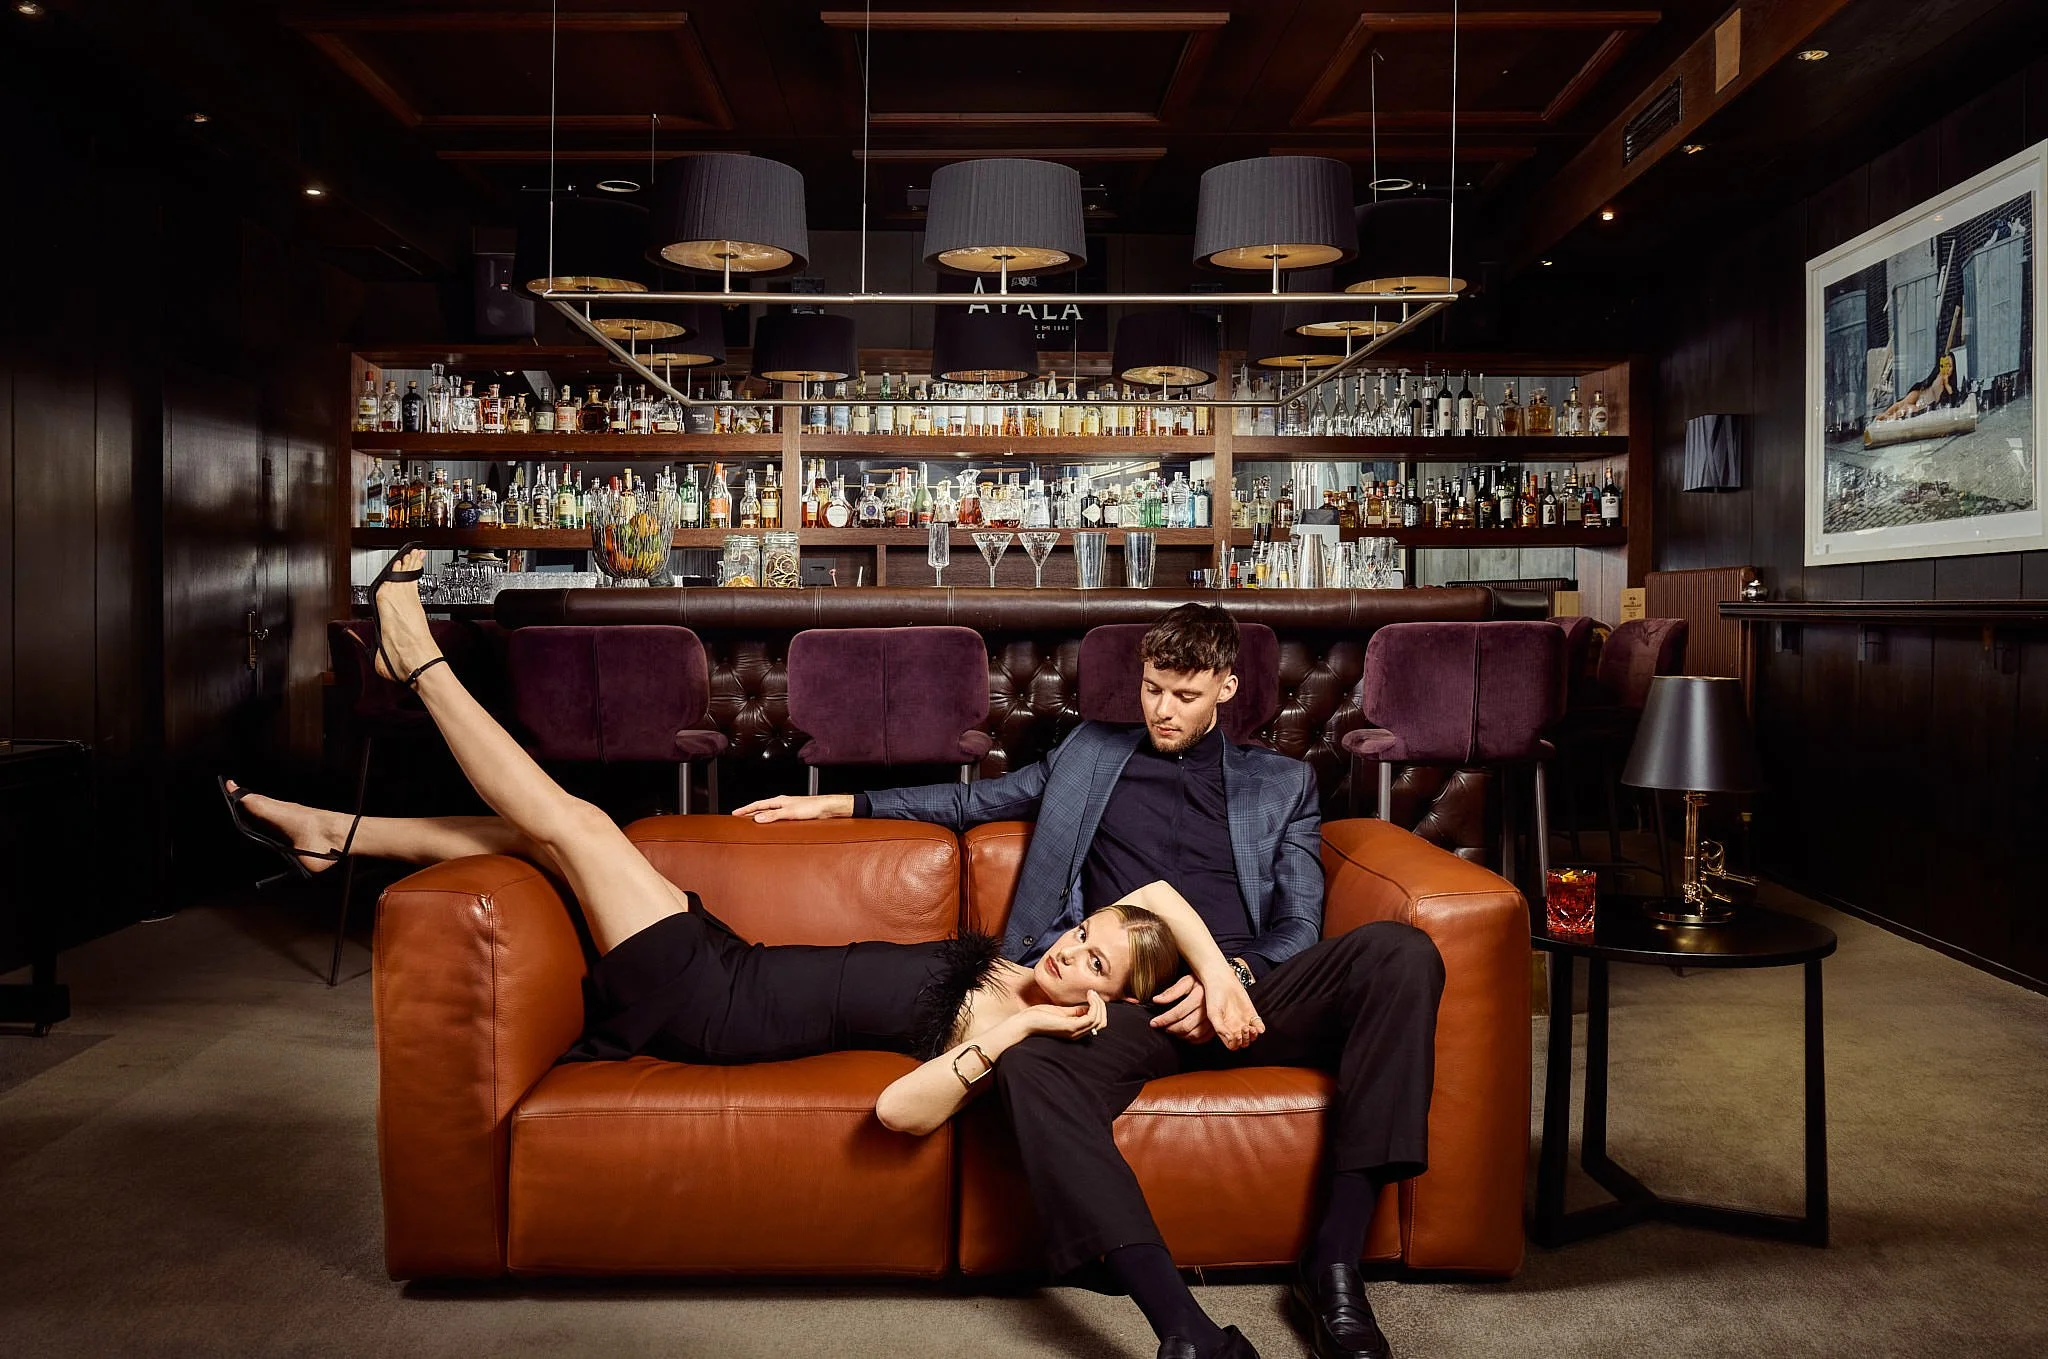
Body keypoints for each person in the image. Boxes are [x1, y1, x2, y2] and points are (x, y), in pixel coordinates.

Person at [220, 551, 1262, 1143]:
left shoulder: (1013, 1025)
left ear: (1101, 1007)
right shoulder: (1019, 959)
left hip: (704, 1006)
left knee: (576, 824)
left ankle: (421, 664)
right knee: (554, 846)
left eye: (1087, 963)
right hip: (726, 962)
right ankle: (333, 834)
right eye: (1082, 935)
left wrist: (1040, 1027)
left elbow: (906, 1115)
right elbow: (1148, 892)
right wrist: (833, 811)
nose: (1069, 946)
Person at [735, 603, 1445, 1359]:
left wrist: (1229, 975)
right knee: (1030, 1061)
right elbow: (976, 801)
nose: (1162, 710)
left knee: (1402, 953)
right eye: (1151, 689)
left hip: (1249, 989)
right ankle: (1184, 1328)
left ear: (1227, 687)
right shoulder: (1091, 753)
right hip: (1125, 1005)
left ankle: (1331, 1266)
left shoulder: (1282, 784)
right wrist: (840, 801)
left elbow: (1301, 925)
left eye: (1184, 694)